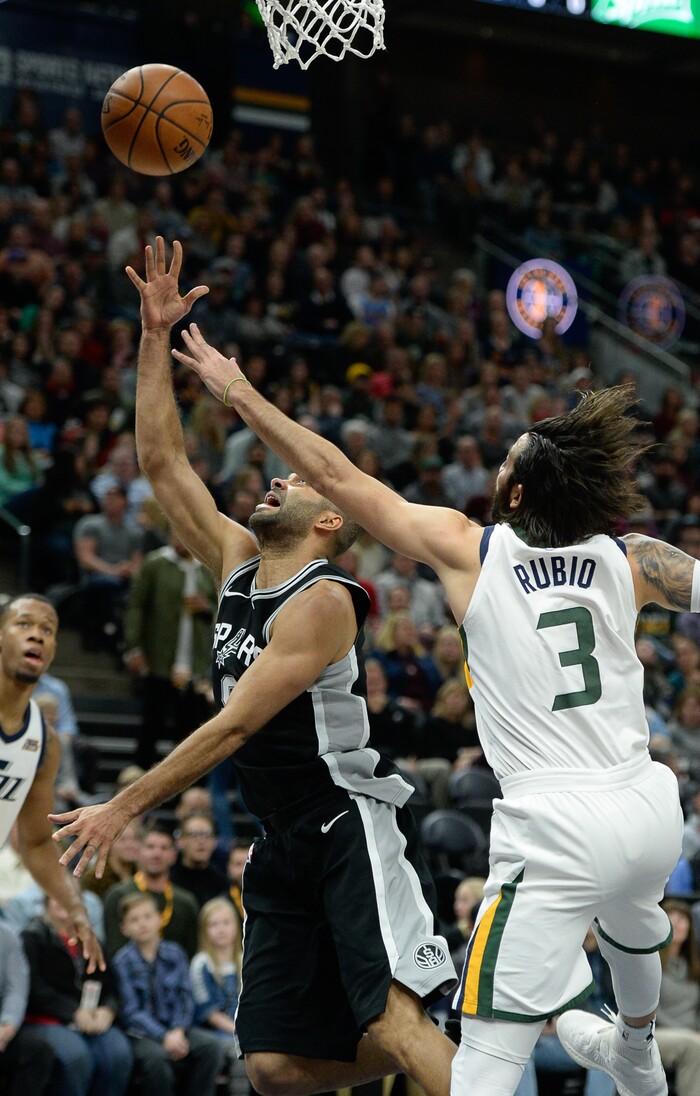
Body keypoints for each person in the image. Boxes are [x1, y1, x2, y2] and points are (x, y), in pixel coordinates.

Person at [167, 306, 692, 1096]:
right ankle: (639, 1051)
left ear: (512, 493)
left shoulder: (472, 548)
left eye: (504, 463)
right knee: (633, 922)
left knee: (483, 1059)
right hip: (652, 808)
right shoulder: (634, 560)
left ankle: (625, 1051)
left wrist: (236, 387)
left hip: (557, 826)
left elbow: (338, 477)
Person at [50, 238, 458, 1096]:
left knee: (390, 1019)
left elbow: (238, 724)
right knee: (272, 1067)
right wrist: (154, 336)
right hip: (279, 841)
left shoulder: (325, 596)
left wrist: (122, 806)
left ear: (328, 523)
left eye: (299, 485)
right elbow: (162, 463)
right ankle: (471, 1054)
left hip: (346, 821)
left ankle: (451, 1055)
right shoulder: (236, 562)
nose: (276, 480)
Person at [0, 593, 101, 971]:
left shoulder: (44, 742)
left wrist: (75, 907)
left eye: (47, 629)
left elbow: (36, 842)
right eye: (23, 624)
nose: (37, 635)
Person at [113, 891, 225, 1096]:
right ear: (124, 928)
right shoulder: (122, 961)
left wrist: (178, 1031)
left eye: (147, 916)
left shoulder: (175, 953)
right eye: (134, 920)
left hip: (177, 1029)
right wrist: (164, 1036)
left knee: (211, 1047)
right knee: (155, 1058)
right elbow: (131, 1012)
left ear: (159, 919)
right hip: (141, 1035)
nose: (142, 924)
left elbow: (185, 998)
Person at [123, 527, 217, 769]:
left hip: (195, 661)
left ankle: (184, 788)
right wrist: (134, 647)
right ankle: (139, 778)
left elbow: (223, 609)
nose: (180, 540)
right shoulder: (156, 563)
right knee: (151, 724)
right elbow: (136, 606)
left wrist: (206, 608)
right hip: (159, 658)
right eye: (175, 535)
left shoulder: (207, 568)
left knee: (189, 728)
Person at [21, 894, 133, 1096]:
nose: (63, 900)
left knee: (119, 1053)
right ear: (47, 901)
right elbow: (34, 989)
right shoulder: (32, 937)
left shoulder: (91, 939)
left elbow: (112, 983)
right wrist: (73, 1012)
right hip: (47, 1019)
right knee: (77, 1057)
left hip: (91, 1019)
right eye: (58, 894)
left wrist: (108, 1009)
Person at [102, 823, 199, 958]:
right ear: (139, 851)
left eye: (164, 848)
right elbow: (115, 950)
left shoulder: (186, 902)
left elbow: (192, 953)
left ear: (173, 856)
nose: (156, 853)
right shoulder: (118, 896)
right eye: (150, 847)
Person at [0, 919, 56, 1096]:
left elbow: (16, 987)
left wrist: (8, 1024)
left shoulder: (7, 935)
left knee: (38, 1050)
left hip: (2, 1027)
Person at [171, 811, 228, 909]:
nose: (201, 841)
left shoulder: (223, 883)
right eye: (194, 834)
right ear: (180, 841)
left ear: (214, 841)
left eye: (207, 834)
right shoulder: (168, 880)